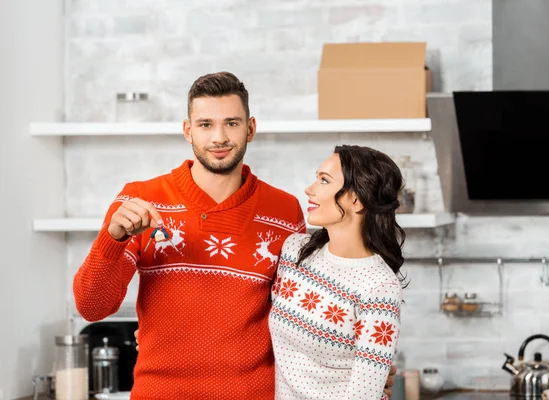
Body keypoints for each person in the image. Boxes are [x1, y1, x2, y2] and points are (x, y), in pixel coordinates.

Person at [73, 72, 396, 399]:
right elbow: (92, 307)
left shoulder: (284, 211)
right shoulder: (140, 200)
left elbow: (305, 311)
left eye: (231, 123)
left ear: (250, 128)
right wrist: (112, 239)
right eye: (205, 125)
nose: (218, 137)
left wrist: (363, 368)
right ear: (188, 131)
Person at [269, 145, 407, 399]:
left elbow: (364, 393)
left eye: (324, 180)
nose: (309, 189)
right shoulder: (296, 251)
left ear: (356, 201)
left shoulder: (380, 287)